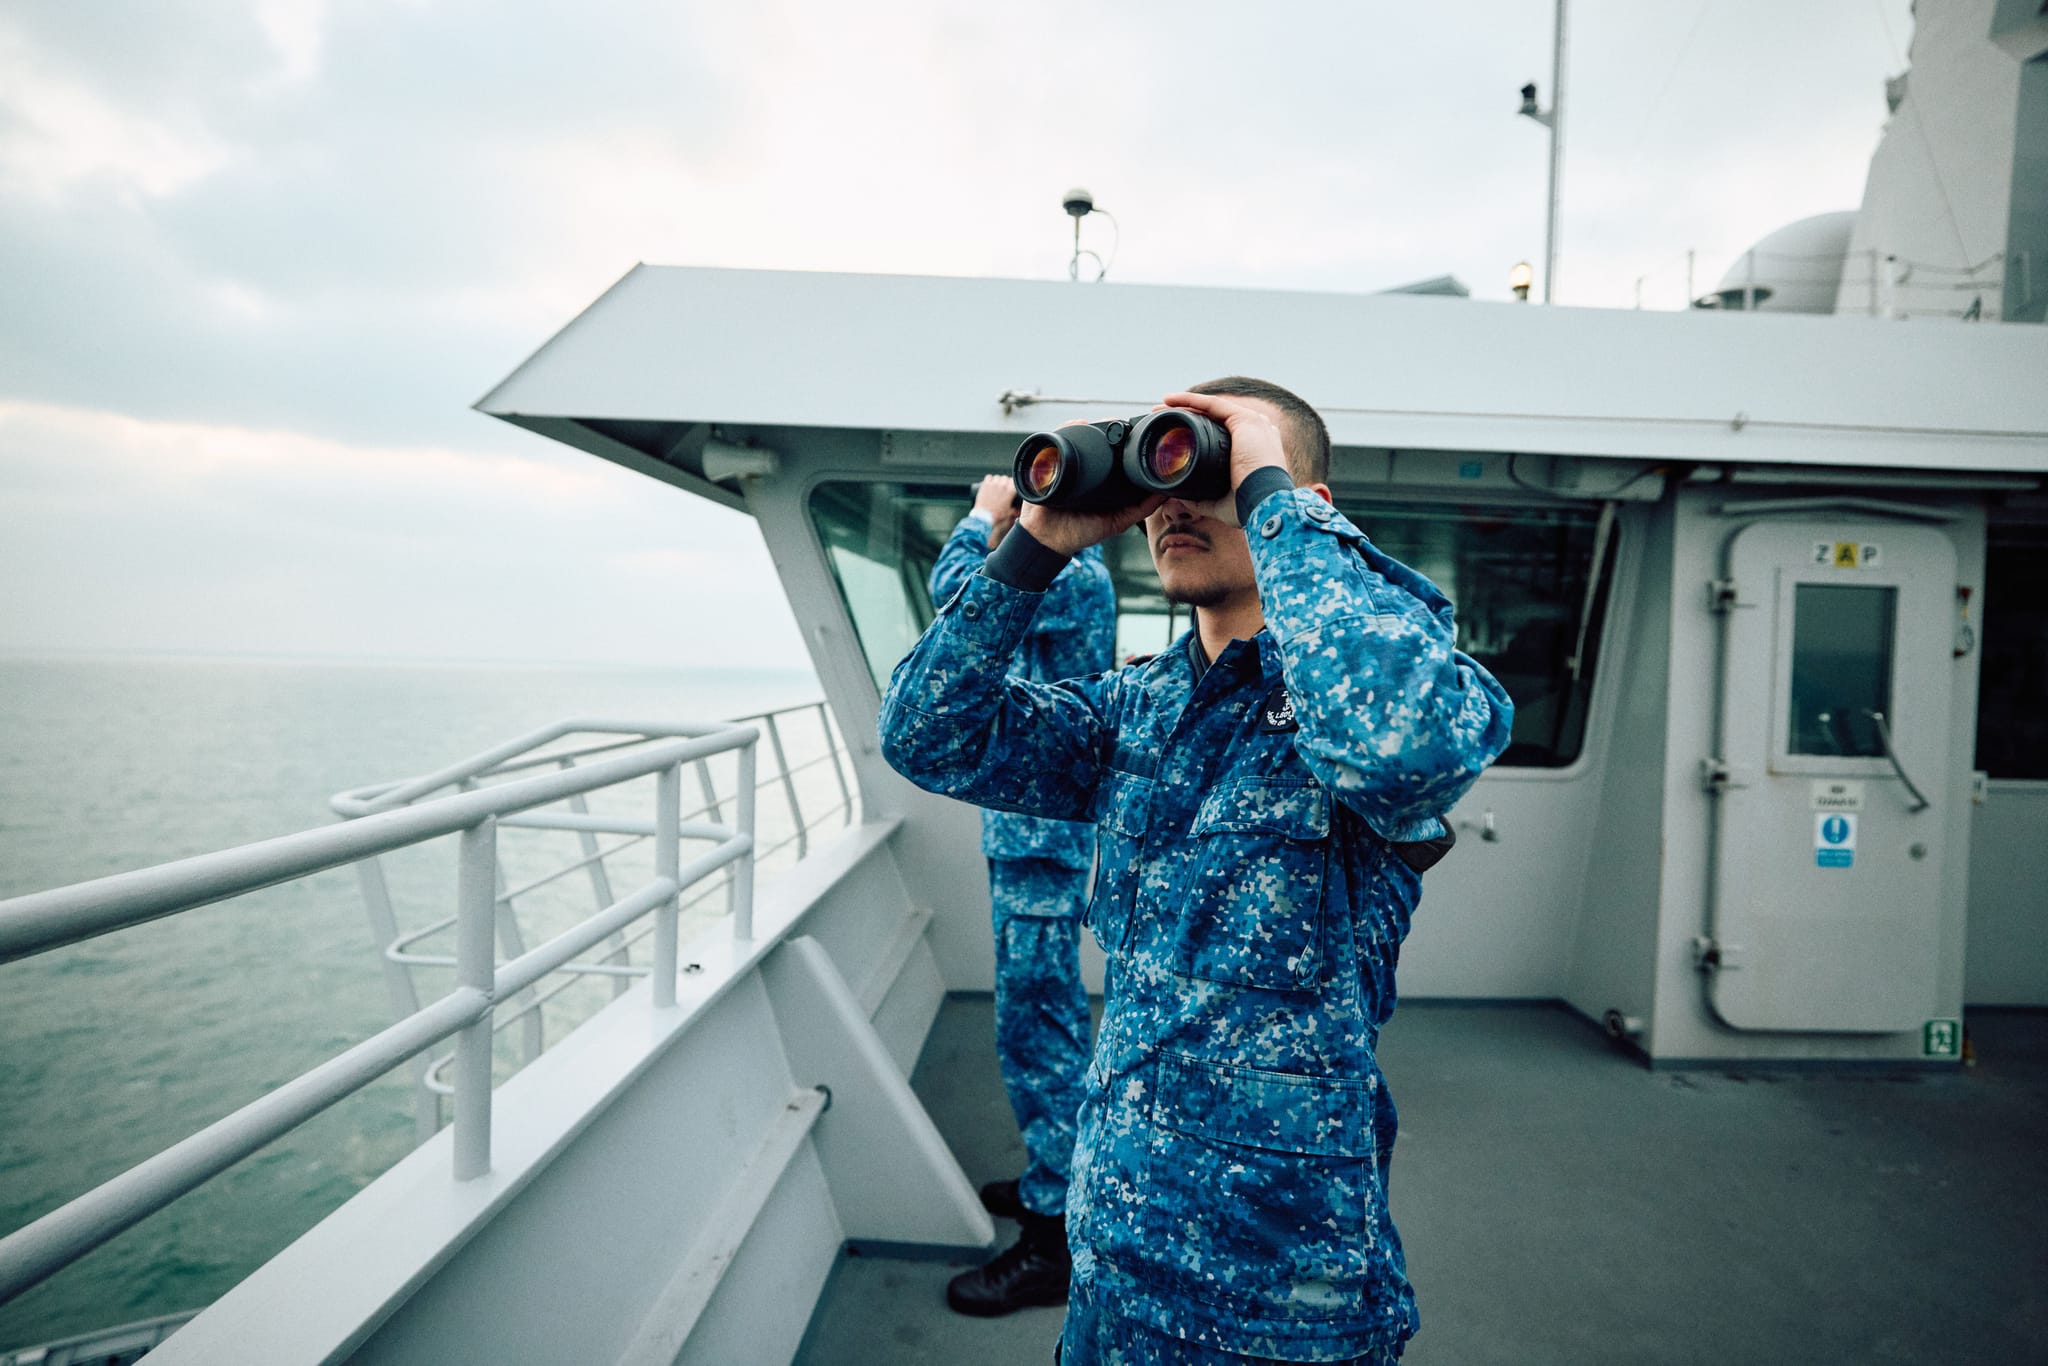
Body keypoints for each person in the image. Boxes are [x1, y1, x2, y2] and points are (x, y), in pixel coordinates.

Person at [880, 378, 1512, 1363]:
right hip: (1112, 1276)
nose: (1172, 502)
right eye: (1160, 482)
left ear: (1301, 506)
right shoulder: (1130, 710)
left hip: (1275, 1307)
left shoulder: (1375, 692)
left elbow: (1398, 747)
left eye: (1206, 473)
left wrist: (1266, 485)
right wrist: (1036, 542)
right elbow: (928, 737)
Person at [926, 473, 1118, 1317]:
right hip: (1033, 839)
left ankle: (1055, 1239)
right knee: (1035, 1024)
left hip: (1040, 846)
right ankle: (1052, 1176)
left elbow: (954, 601)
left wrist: (983, 515)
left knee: (1038, 1034)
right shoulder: (1075, 571)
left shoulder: (1070, 573)